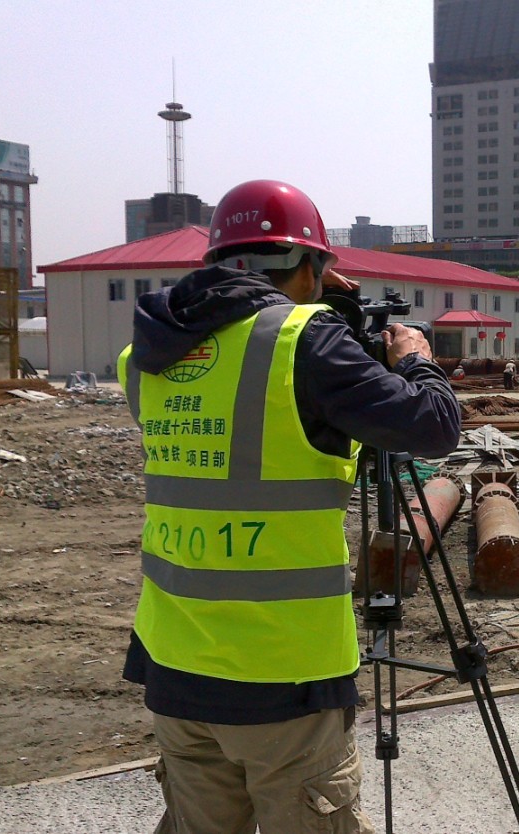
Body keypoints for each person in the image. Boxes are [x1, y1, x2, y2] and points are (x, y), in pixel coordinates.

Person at [117, 179, 461, 834]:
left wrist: (311, 300)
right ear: (310, 266)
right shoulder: (307, 343)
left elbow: (253, 431)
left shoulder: (146, 356)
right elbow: (433, 426)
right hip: (284, 683)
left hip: (175, 668)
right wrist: (414, 358)